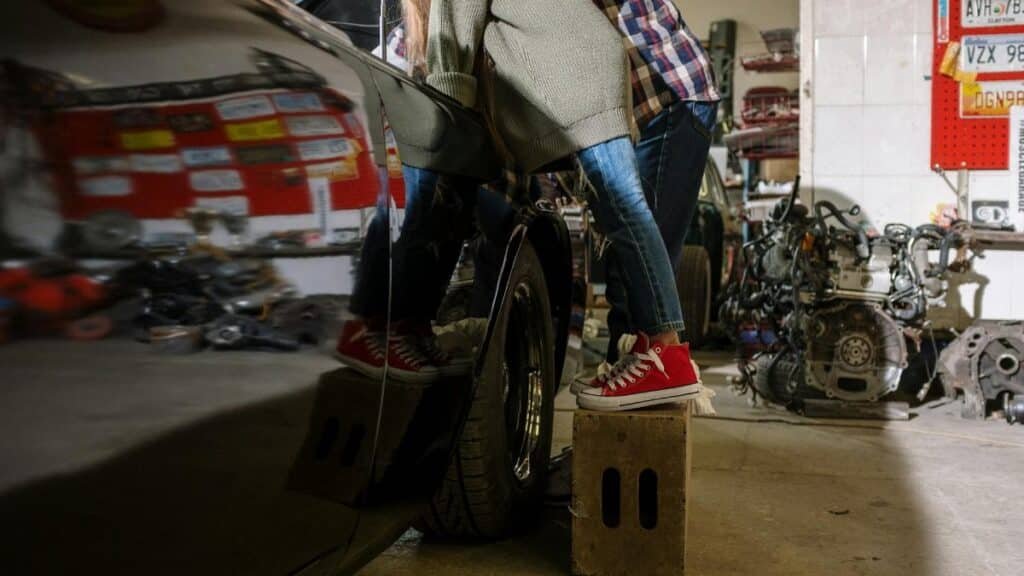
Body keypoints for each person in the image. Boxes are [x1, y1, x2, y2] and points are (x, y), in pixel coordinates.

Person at [425, 0, 703, 411]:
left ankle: (667, 352)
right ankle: (655, 346)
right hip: (590, 66)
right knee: (622, 214)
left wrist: (441, 116)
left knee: (625, 211)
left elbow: (452, 34)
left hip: (578, 75)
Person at [577, 0, 721, 392]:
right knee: (631, 254)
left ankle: (655, 363)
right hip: (656, 101)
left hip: (670, 92)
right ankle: (630, 363)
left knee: (640, 243)